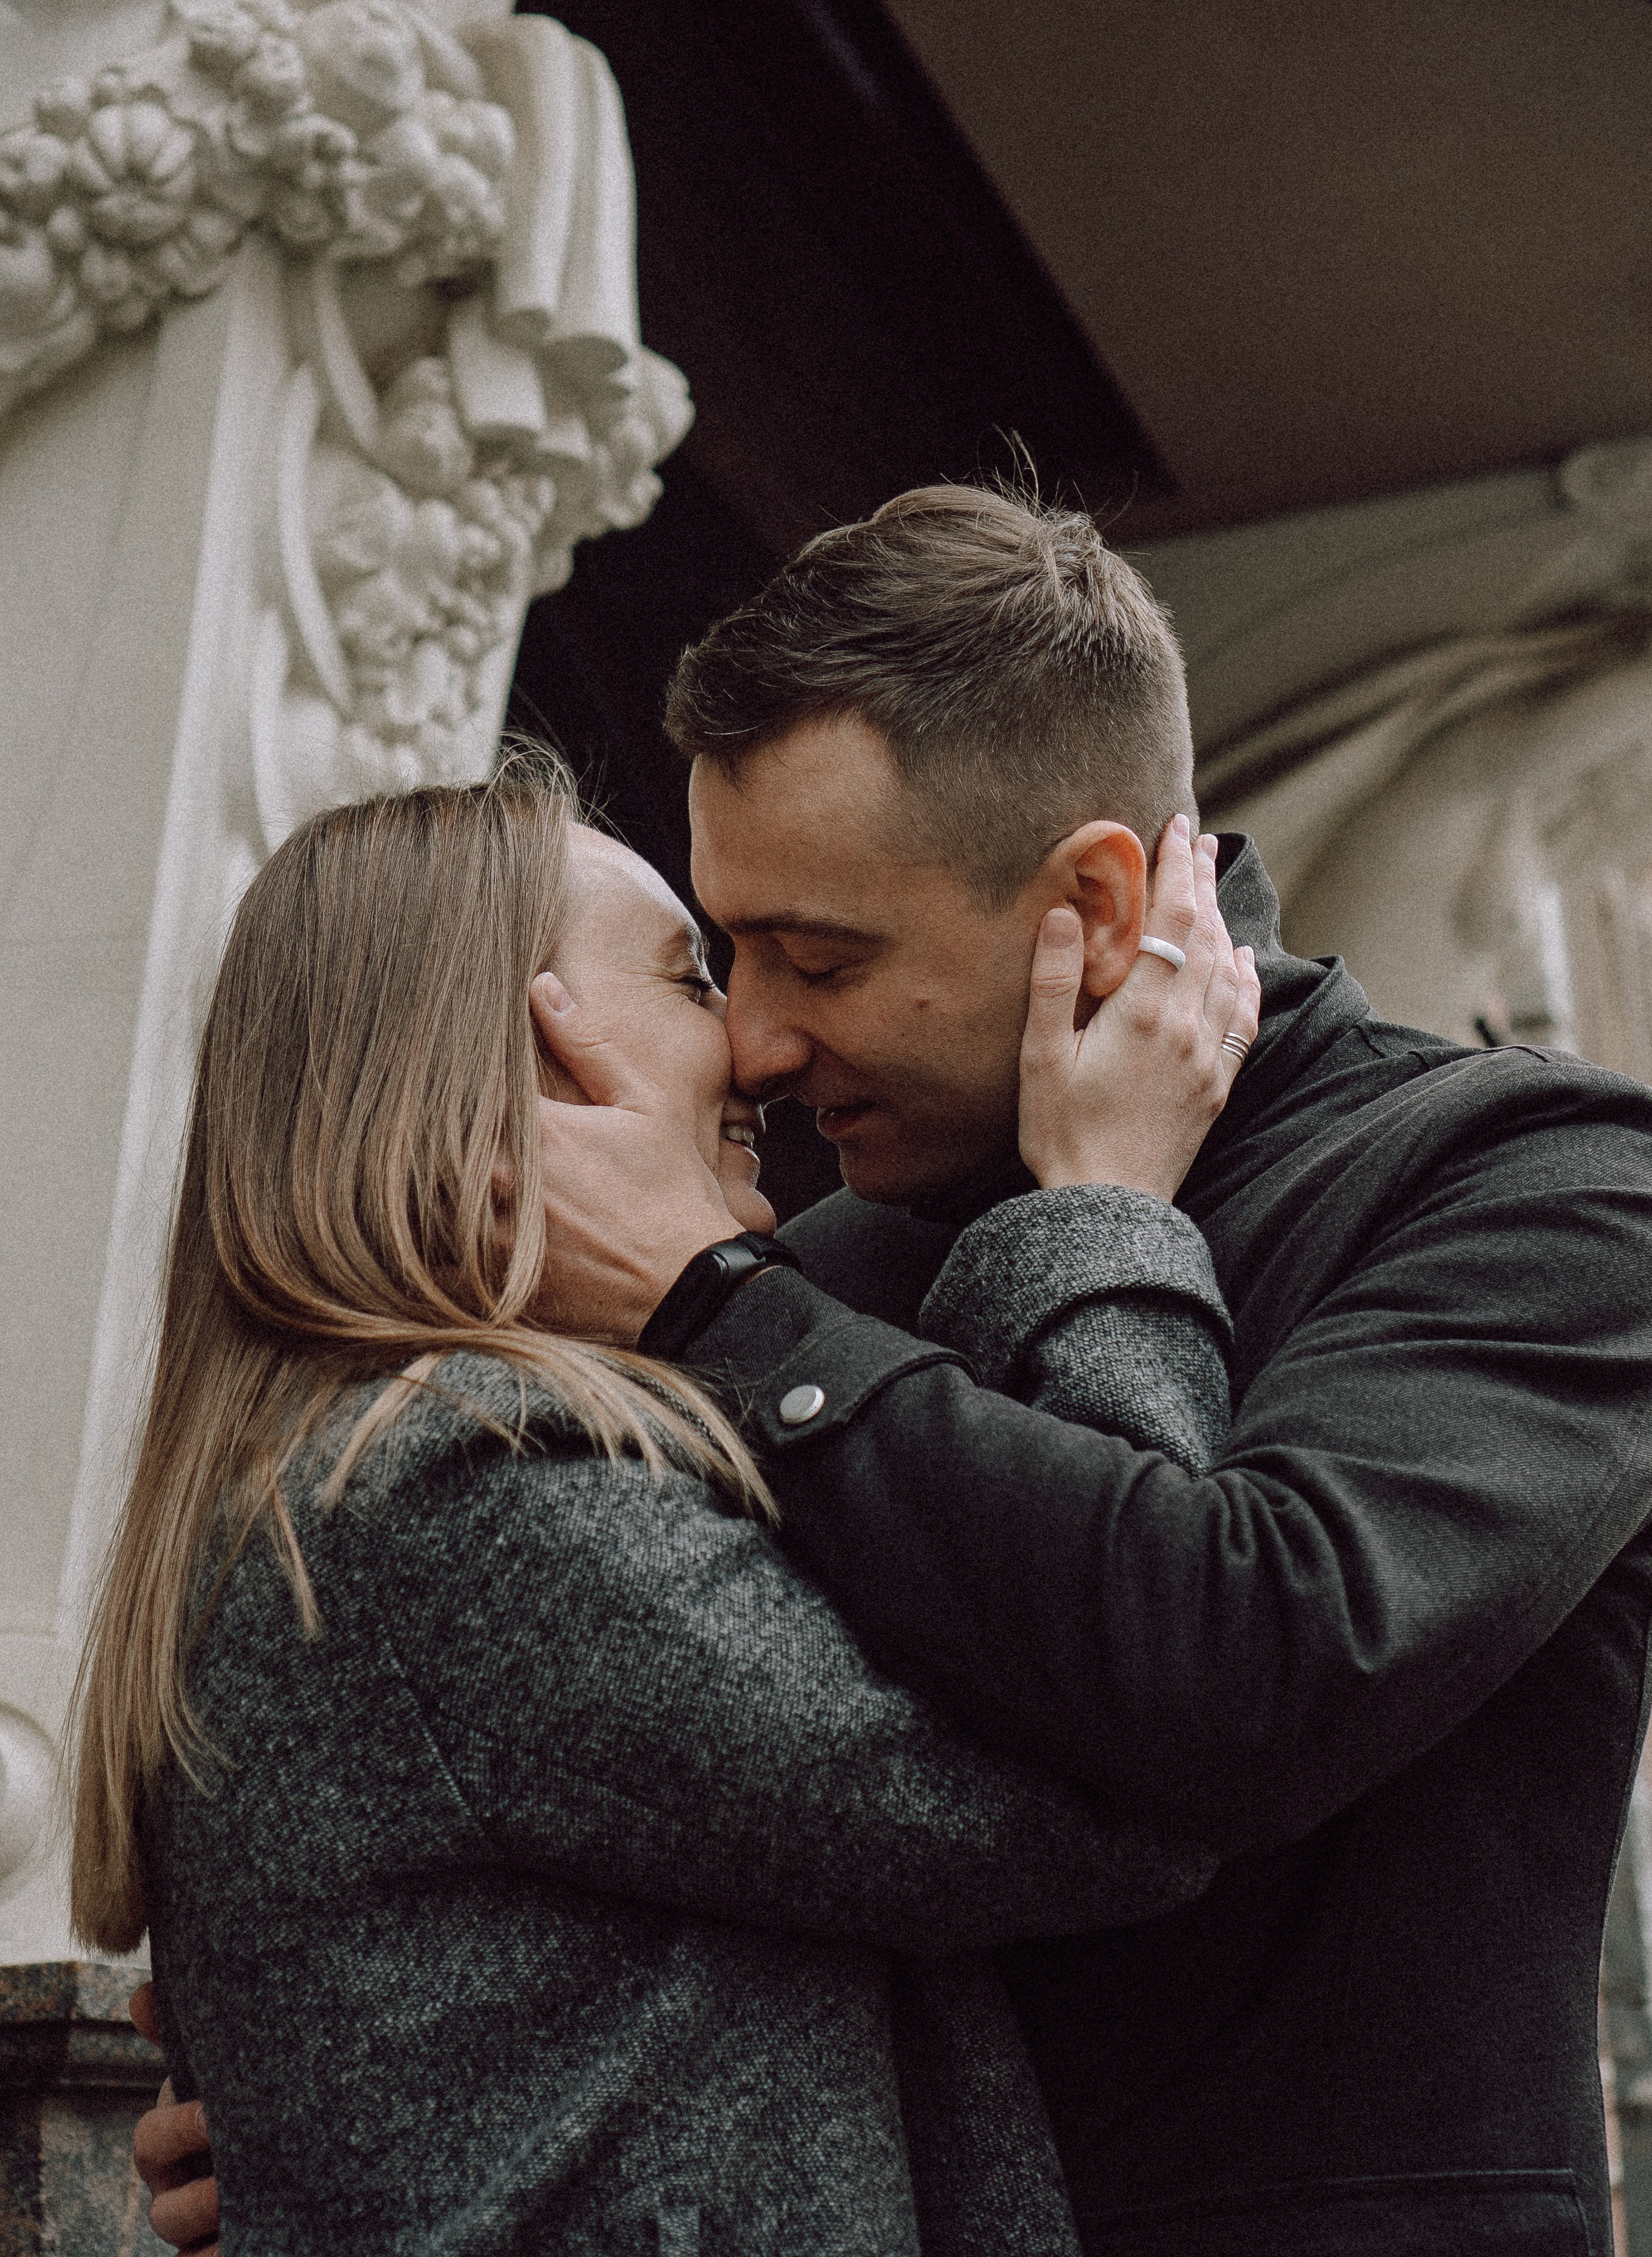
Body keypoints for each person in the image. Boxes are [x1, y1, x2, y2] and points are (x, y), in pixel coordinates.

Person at [512, 482, 1652, 2257]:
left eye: (821, 956)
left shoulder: (1543, 1186)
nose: (753, 1036)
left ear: (1099, 900)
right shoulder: (795, 1274)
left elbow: (1255, 1669)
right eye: (729, 949)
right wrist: (390, 2076)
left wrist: (720, 1316)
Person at [88, 758, 1259, 2256]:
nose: (759, 1047)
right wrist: (1105, 1206)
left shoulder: (365, 1478)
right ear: (521, 1059)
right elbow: (1123, 1764)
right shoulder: (471, 1499)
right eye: (690, 977)